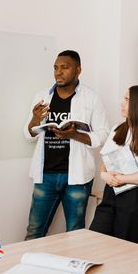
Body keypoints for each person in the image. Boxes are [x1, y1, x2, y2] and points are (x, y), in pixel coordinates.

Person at [23, 50, 109, 240]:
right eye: (55, 68)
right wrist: (35, 119)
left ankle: (74, 267)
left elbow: (103, 135)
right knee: (34, 231)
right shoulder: (42, 96)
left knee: (76, 232)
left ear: (78, 70)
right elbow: (28, 134)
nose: (58, 72)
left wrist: (75, 135)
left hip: (77, 177)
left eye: (64, 67)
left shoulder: (91, 98)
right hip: (45, 175)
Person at [89, 85, 138, 245]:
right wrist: (104, 174)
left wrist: (123, 178)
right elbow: (105, 160)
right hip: (111, 193)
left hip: (134, 199)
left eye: (127, 100)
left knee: (126, 251)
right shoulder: (118, 128)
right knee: (95, 242)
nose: (121, 104)